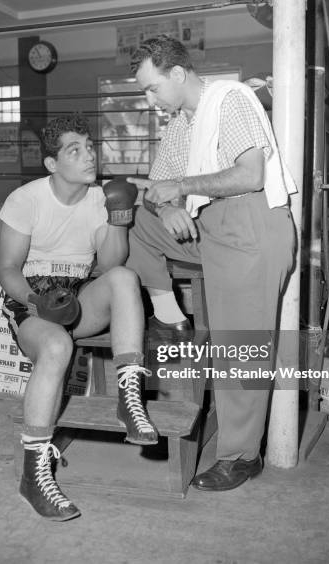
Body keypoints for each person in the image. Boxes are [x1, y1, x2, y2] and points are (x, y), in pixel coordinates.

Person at [126, 35, 297, 491]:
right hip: (212, 227)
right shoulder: (181, 121)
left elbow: (250, 175)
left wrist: (181, 186)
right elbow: (157, 189)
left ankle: (242, 457)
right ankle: (169, 315)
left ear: (178, 75)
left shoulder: (230, 100)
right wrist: (168, 207)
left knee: (239, 347)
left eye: (152, 88)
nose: (150, 99)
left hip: (252, 226)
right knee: (137, 224)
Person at [0, 114, 158, 522]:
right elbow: (8, 267)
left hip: (81, 293)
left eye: (89, 147)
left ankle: (130, 398)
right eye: (75, 151)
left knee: (124, 277)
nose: (89, 156)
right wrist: (35, 300)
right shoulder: (26, 199)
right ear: (53, 164)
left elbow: (108, 262)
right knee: (56, 344)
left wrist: (119, 218)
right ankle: (35, 475)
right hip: (33, 298)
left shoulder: (101, 198)